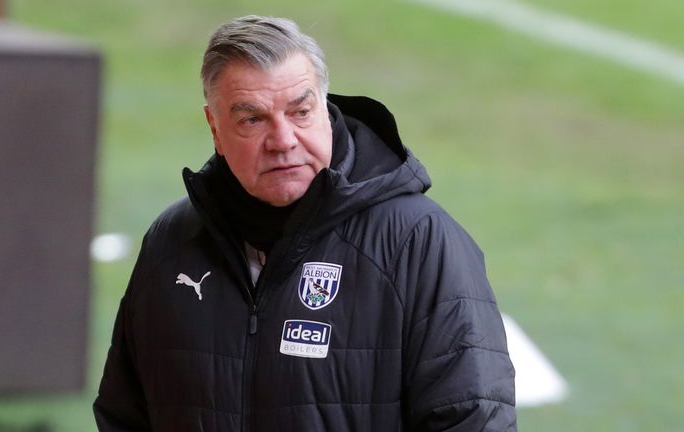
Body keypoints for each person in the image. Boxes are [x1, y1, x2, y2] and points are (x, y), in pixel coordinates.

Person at [94, 15, 516, 431]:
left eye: (300, 112)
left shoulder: (417, 243)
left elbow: (473, 420)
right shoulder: (171, 244)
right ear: (215, 130)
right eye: (252, 119)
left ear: (325, 110)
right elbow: (123, 416)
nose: (282, 141)